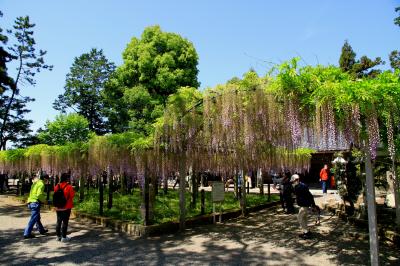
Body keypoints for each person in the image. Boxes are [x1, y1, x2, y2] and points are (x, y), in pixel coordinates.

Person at [23, 173, 49, 239]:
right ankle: (27, 233)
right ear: (45, 179)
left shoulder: (35, 183)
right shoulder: (42, 184)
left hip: (30, 202)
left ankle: (41, 230)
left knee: (37, 217)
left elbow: (31, 192)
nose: (47, 181)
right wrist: (44, 201)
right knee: (33, 219)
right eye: (47, 180)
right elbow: (39, 195)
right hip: (35, 203)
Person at [291, 174, 316, 239]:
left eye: (294, 181)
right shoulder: (301, 185)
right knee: (304, 218)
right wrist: (313, 205)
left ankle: (306, 233)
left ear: (296, 180)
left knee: (300, 218)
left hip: (304, 205)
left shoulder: (300, 187)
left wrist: (313, 205)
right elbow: (309, 195)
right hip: (304, 205)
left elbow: (309, 196)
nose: (293, 182)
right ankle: (306, 231)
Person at [54, 173, 75, 242]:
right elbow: (72, 195)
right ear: (67, 179)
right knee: (65, 222)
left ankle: (58, 236)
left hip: (58, 206)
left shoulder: (57, 186)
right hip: (67, 207)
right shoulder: (69, 186)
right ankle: (64, 237)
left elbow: (55, 195)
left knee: (58, 221)